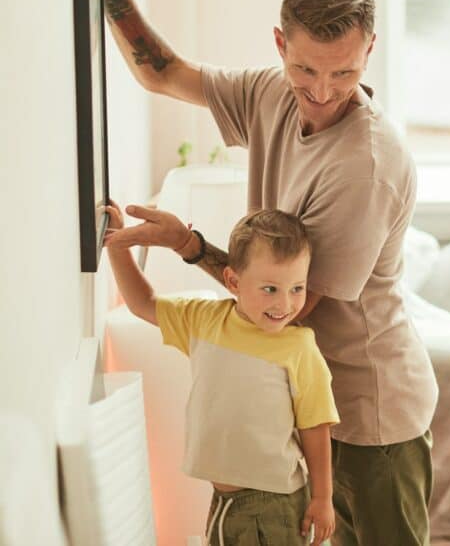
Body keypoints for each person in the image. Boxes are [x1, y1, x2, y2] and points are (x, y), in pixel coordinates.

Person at [87, 0, 439, 545]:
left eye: (344, 73)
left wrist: (190, 246)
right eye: (306, 69)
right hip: (306, 396)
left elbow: (284, 308)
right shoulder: (268, 94)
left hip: (368, 410)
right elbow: (160, 72)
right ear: (280, 44)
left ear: (370, 52)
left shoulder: (367, 165)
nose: (323, 92)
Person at [105, 205, 338, 545]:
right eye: (270, 289)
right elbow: (143, 303)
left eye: (297, 288)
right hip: (223, 501)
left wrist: (322, 499)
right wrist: (118, 245)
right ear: (233, 280)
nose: (285, 304)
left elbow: (316, 426)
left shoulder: (299, 348)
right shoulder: (204, 321)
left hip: (276, 504)